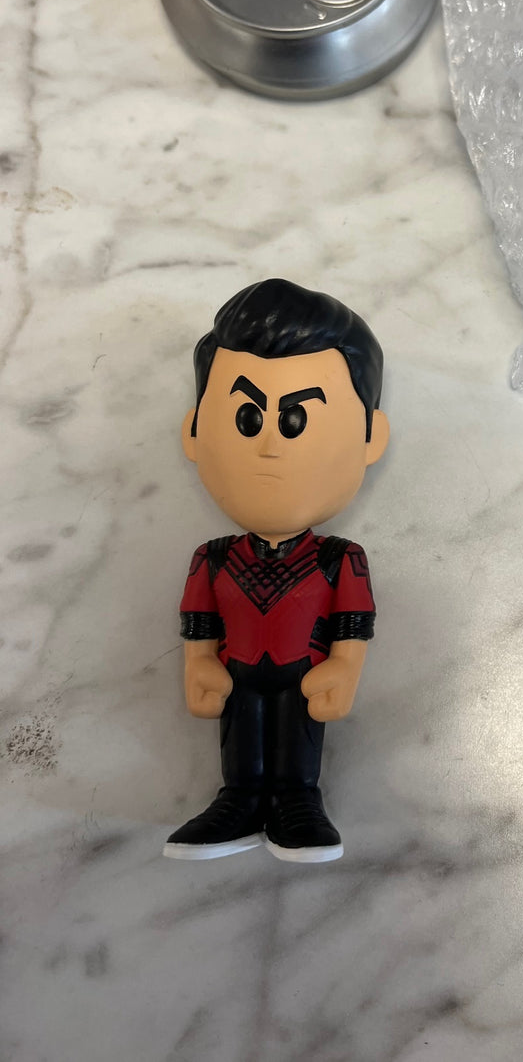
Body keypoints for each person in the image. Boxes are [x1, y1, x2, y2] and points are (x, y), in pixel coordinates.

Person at [163, 279, 389, 862]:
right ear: (194, 431)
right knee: (240, 738)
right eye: (247, 418)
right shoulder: (212, 557)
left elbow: (353, 622)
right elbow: (199, 620)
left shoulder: (341, 558)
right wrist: (198, 661)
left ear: (371, 437)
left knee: (297, 737)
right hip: (237, 672)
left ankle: (297, 800)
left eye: (294, 420)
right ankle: (238, 801)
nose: (269, 446)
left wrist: (345, 666)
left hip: (303, 673)